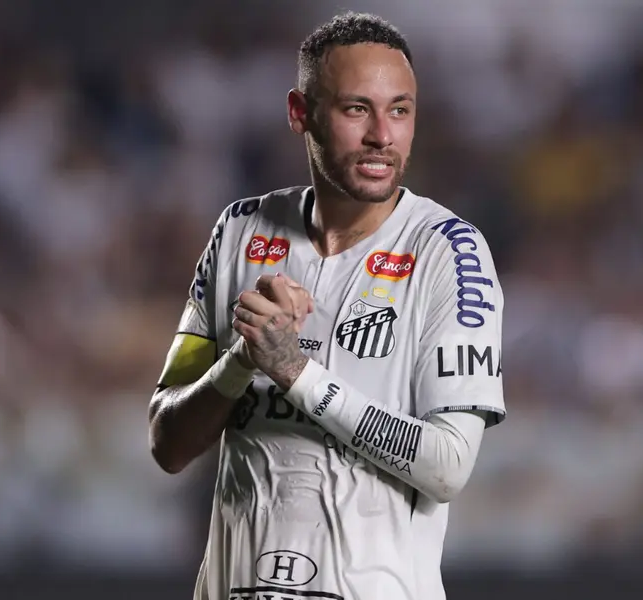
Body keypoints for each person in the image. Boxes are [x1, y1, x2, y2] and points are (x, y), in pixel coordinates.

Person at [148, 12, 507, 600]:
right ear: (301, 113)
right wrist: (241, 361)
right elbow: (167, 442)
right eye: (356, 109)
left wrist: (295, 371)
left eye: (400, 111)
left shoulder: (450, 252)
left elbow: (447, 466)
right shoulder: (240, 231)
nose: (382, 136)